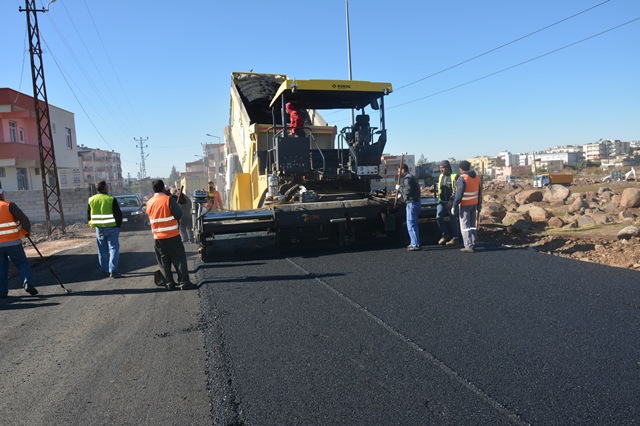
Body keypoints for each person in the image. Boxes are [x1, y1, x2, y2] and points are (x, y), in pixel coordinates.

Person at [146, 179, 196, 291]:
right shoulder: (168, 199)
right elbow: (178, 215)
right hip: (172, 235)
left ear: (153, 189)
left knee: (163, 261)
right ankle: (184, 282)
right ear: (163, 188)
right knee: (179, 258)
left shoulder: (149, 202)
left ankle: (169, 283)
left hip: (158, 238)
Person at [0, 189, 38, 297]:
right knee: (22, 264)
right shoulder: (9, 205)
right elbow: (24, 219)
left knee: (1, 268)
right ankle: (27, 283)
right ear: (1, 194)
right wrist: (25, 232)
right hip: (13, 243)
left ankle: (2, 291)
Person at [87, 181, 123, 278]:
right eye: (107, 186)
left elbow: (88, 215)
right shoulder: (111, 199)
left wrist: (92, 224)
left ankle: (105, 270)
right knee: (113, 248)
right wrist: (118, 225)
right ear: (105, 188)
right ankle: (113, 270)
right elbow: (118, 214)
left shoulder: (91, 199)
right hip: (112, 228)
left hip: (99, 228)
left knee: (102, 250)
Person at [451, 160, 482, 253]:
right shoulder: (476, 177)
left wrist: (454, 205)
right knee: (472, 225)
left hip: (465, 205)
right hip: (474, 203)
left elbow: (458, 194)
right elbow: (479, 192)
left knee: (465, 225)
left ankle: (468, 245)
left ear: (461, 169)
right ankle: (473, 242)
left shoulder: (462, 178)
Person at [396, 164, 422, 251]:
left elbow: (408, 190)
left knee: (412, 225)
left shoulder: (407, 179)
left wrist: (399, 188)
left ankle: (416, 245)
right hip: (414, 203)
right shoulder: (411, 177)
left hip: (412, 203)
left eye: (399, 171)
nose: (398, 173)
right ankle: (413, 242)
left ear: (403, 170)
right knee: (411, 224)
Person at [435, 160, 460, 246]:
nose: (441, 170)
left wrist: (451, 201)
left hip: (451, 202)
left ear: (447, 168)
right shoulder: (441, 176)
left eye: (442, 168)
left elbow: (456, 190)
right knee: (438, 217)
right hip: (442, 201)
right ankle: (445, 234)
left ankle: (455, 238)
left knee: (453, 220)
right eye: (440, 168)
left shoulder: (455, 176)